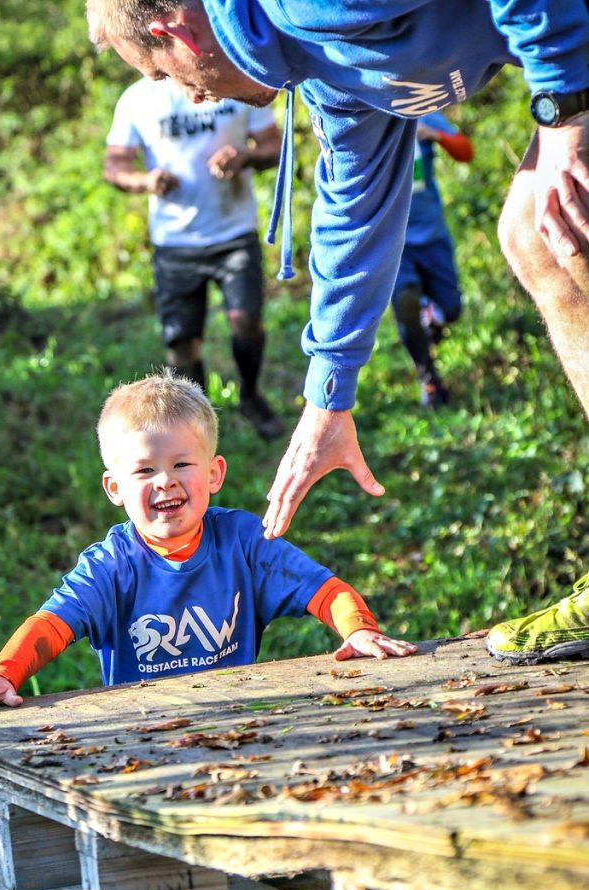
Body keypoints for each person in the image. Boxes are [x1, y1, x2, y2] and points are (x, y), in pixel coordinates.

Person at [84, 0, 589, 666]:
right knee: (541, 237)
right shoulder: (324, 73)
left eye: (160, 73)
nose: (189, 97)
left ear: (172, 31)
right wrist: (327, 397)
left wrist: (563, 109)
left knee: (565, 217)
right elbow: (354, 216)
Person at [0, 372, 415, 710]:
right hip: (139, 735)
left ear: (214, 473)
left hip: (238, 723)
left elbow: (324, 590)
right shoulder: (110, 565)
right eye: (144, 470)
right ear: (115, 490)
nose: (165, 482)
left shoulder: (243, 540)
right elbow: (51, 624)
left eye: (182, 464)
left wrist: (358, 629)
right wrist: (3, 672)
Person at [103, 76, 285, 440]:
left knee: (246, 322)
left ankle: (250, 396)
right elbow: (114, 167)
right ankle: (194, 426)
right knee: (182, 344)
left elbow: (274, 146)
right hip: (174, 242)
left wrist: (245, 156)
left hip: (234, 233)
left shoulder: (231, 79)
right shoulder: (137, 98)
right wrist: (146, 180)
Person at [392, 113, 474, 409]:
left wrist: (435, 135)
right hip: (393, 240)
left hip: (432, 233)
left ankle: (433, 315)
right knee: (405, 300)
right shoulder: (366, 116)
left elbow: (466, 151)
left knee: (451, 309)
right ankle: (429, 379)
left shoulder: (420, 110)